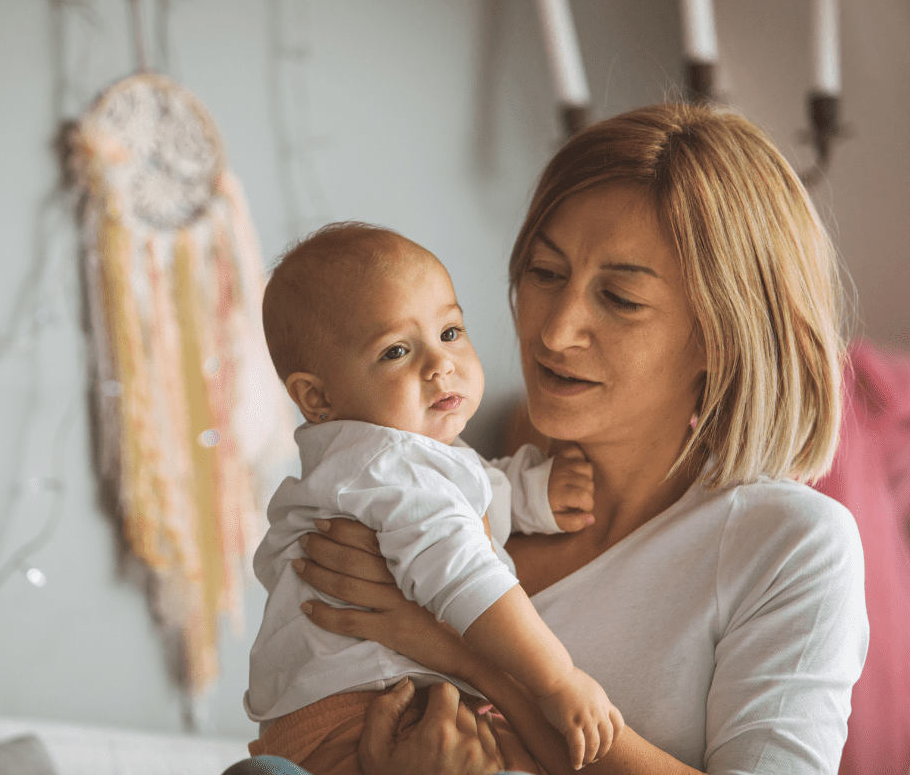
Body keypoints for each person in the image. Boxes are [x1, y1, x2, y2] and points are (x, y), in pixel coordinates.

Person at [278, 102, 868, 775]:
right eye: (545, 273)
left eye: (620, 299)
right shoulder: (462, 501)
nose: (554, 331)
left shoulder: (788, 544)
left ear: (720, 335)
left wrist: (477, 662)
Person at [244, 222, 623, 774]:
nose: (440, 363)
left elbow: (460, 500)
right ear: (317, 396)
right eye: (396, 351)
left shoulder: (373, 465)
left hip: (328, 713)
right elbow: (466, 573)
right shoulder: (388, 465)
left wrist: (531, 492)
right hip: (365, 712)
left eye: (450, 332)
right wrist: (557, 679)